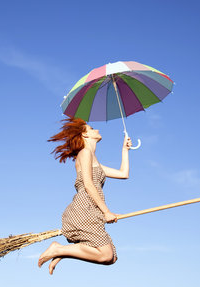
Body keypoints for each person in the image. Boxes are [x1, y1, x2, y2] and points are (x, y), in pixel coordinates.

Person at [38, 118, 132, 275]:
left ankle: (62, 252)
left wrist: (125, 150)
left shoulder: (93, 159)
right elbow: (88, 185)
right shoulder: (85, 153)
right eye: (92, 128)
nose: (97, 130)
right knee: (106, 254)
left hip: (92, 211)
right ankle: (58, 249)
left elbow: (123, 174)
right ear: (85, 134)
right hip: (83, 210)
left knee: (111, 258)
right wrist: (106, 211)